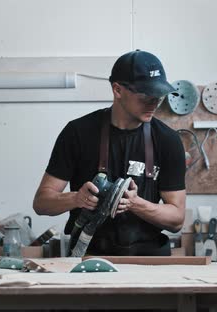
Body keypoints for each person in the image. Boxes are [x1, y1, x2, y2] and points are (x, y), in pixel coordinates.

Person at [33, 50, 186, 257]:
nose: (154, 104)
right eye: (145, 96)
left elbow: (176, 219)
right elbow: (42, 203)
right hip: (88, 256)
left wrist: (134, 203)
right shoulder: (78, 133)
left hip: (150, 260)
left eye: (158, 97)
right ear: (117, 90)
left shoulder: (167, 140)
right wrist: (76, 198)